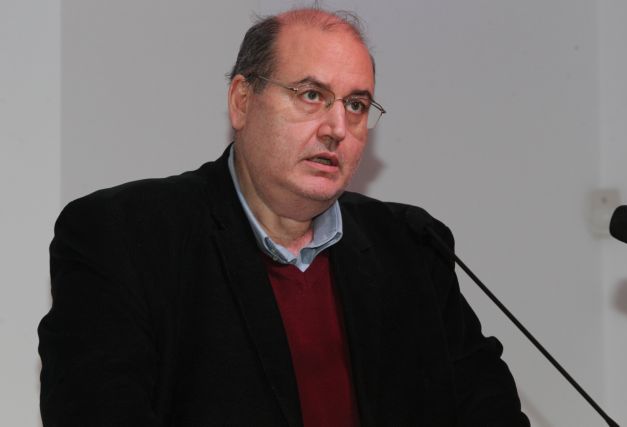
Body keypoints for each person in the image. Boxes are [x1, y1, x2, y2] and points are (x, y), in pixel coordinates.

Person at [38, 7, 530, 427]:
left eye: (356, 105)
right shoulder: (125, 236)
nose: (337, 128)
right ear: (242, 101)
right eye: (311, 95)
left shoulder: (411, 246)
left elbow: (490, 411)